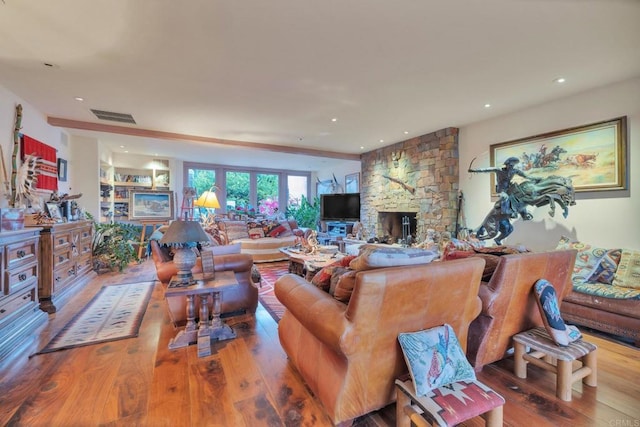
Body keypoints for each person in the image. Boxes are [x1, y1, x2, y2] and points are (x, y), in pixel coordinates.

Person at [469, 157, 539, 218]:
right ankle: (507, 212)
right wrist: (474, 170)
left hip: (509, 188)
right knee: (505, 197)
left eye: (513, 166)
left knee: (520, 195)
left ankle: (524, 213)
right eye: (510, 165)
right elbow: (486, 170)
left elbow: (525, 175)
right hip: (501, 190)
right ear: (507, 164)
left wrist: (535, 179)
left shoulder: (514, 171)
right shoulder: (499, 170)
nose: (511, 167)